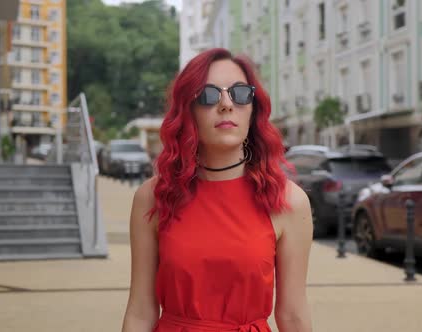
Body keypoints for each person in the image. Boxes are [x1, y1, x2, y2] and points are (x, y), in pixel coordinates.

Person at [121, 48, 313, 332]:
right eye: (208, 95)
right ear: (189, 111)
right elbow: (140, 311)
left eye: (240, 94)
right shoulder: (153, 197)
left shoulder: (288, 201)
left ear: (253, 108)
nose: (226, 104)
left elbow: (293, 315)